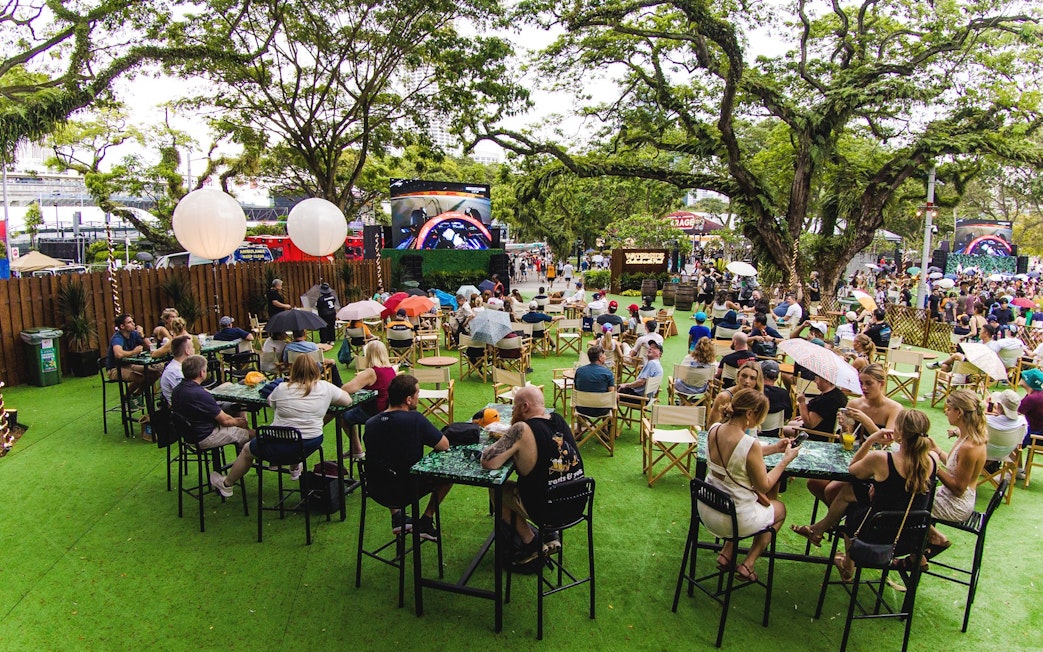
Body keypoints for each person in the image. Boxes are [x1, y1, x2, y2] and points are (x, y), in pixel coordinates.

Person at [208, 354, 354, 497]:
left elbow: (270, 402)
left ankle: (227, 484)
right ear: (317, 370)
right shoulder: (326, 387)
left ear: (293, 370)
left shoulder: (282, 388)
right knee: (293, 436)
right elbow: (347, 400)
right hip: (309, 442)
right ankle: (294, 467)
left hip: (280, 442)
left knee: (247, 450)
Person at [822, 409, 938, 581]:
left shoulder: (881, 459)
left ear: (900, 433)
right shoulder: (933, 459)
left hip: (875, 535)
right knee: (857, 497)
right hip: (911, 539)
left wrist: (870, 440)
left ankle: (848, 566)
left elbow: (853, 470)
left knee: (853, 507)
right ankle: (823, 534)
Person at [793, 364, 902, 546]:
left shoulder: (894, 408)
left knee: (831, 490)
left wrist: (865, 420)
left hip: (878, 465)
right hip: (853, 457)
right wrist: (844, 428)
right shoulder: (854, 404)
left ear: (881, 383)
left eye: (869, 383)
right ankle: (838, 520)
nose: (864, 388)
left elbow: (887, 441)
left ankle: (833, 525)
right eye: (861, 383)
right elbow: (846, 440)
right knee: (814, 482)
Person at [702, 388, 798, 582]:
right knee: (779, 509)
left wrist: (773, 449)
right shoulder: (749, 443)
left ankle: (726, 553)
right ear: (749, 414)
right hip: (733, 519)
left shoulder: (714, 429)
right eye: (759, 417)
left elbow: (738, 455)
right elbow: (764, 485)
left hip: (707, 509)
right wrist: (784, 461)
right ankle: (748, 564)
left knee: (740, 502)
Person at [481, 385, 584, 564]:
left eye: (514, 407)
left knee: (497, 490)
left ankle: (531, 543)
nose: (513, 411)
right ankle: (550, 534)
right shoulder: (558, 420)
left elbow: (489, 462)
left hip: (547, 509)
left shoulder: (521, 428)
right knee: (545, 480)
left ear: (525, 407)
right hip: (577, 502)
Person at [362, 374, 454, 539]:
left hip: (375, 488)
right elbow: (444, 445)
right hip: (406, 489)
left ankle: (397, 517)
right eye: (418, 394)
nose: (419, 397)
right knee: (448, 477)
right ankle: (426, 519)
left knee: (388, 465)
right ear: (409, 399)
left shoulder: (370, 424)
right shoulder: (415, 420)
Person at [924, 389, 988, 556]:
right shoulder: (966, 436)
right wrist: (937, 450)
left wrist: (934, 467)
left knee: (906, 500)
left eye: (949, 408)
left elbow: (959, 489)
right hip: (950, 496)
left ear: (959, 413)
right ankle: (919, 550)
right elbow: (955, 466)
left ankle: (934, 540)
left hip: (956, 504)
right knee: (911, 493)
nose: (946, 411)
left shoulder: (969, 447)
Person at [171, 355, 252, 452]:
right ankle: (247, 460)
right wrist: (241, 422)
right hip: (205, 437)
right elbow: (225, 421)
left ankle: (243, 454)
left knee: (238, 422)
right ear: (202, 373)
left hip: (190, 435)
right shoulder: (200, 394)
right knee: (251, 434)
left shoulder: (177, 390)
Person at [340, 341, 397, 458]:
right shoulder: (391, 370)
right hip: (387, 409)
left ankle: (356, 448)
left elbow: (347, 389)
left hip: (373, 412)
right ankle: (356, 449)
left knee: (342, 415)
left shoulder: (371, 372)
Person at [105, 314, 163, 398]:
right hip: (114, 368)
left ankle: (136, 395)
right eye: (129, 322)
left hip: (129, 365)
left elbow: (151, 348)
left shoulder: (134, 334)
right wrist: (133, 352)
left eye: (132, 321)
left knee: (155, 373)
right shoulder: (117, 338)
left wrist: (142, 335)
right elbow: (118, 354)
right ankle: (126, 398)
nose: (133, 324)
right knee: (140, 377)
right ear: (122, 326)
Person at [784, 372, 848, 437]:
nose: (815, 381)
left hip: (821, 434)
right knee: (790, 423)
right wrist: (805, 415)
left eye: (818, 379)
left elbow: (809, 424)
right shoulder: (839, 394)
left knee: (784, 429)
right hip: (827, 427)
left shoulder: (826, 400)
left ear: (826, 380)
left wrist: (801, 402)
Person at [707, 361, 763, 426]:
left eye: (752, 378)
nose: (747, 381)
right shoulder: (724, 397)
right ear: (738, 375)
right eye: (744, 376)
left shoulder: (757, 398)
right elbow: (711, 425)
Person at [574, 344, 616, 416]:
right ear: (600, 358)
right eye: (604, 354)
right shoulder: (608, 373)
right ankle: (606, 426)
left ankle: (580, 425)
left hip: (582, 408)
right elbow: (611, 393)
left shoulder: (579, 371)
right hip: (602, 409)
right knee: (614, 397)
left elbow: (576, 388)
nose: (605, 357)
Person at [759, 360, 792, 437]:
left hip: (750, 435)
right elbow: (788, 416)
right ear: (776, 378)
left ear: (760, 374)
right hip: (773, 435)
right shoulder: (784, 394)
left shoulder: (752, 392)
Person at [159, 335, 193, 405]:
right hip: (182, 410)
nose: (194, 350)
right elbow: (187, 394)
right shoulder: (174, 371)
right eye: (192, 347)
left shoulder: (181, 367)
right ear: (187, 351)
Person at [1019, 368, 1043, 445]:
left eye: (1023, 377)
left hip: (1034, 434)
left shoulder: (1032, 398)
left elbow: (1015, 413)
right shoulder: (1038, 394)